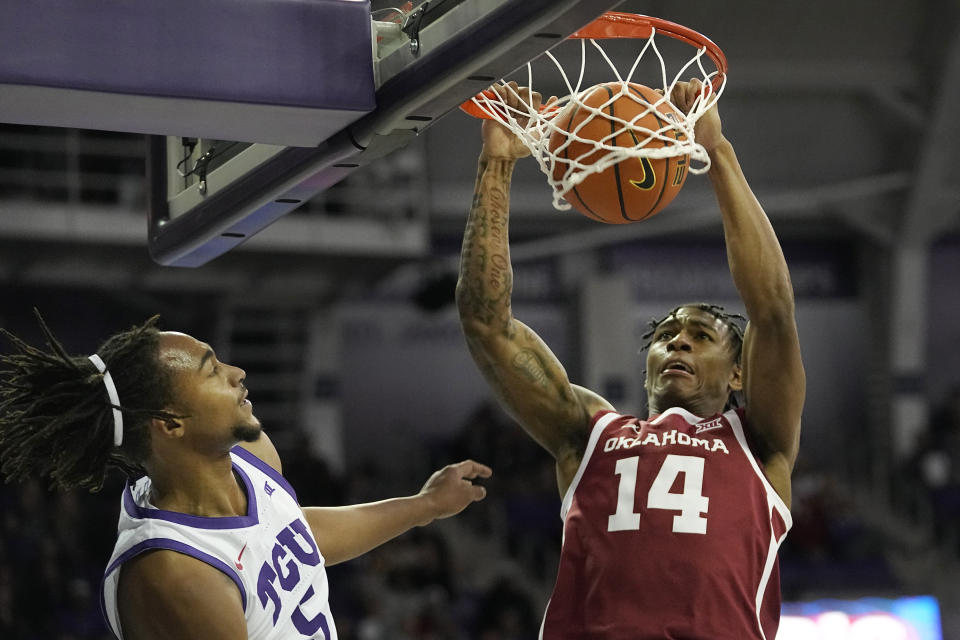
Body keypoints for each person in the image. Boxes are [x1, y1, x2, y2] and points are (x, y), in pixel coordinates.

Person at [456, 80, 805, 639]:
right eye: (666, 335)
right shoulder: (591, 432)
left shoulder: (758, 441)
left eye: (699, 335)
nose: (677, 342)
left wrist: (716, 151)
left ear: (739, 371)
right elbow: (487, 326)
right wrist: (496, 162)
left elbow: (773, 309)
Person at [0, 314, 492, 640]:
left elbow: (295, 535)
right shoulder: (173, 572)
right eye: (212, 372)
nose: (237, 373)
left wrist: (425, 505)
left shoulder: (250, 455)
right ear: (170, 423)